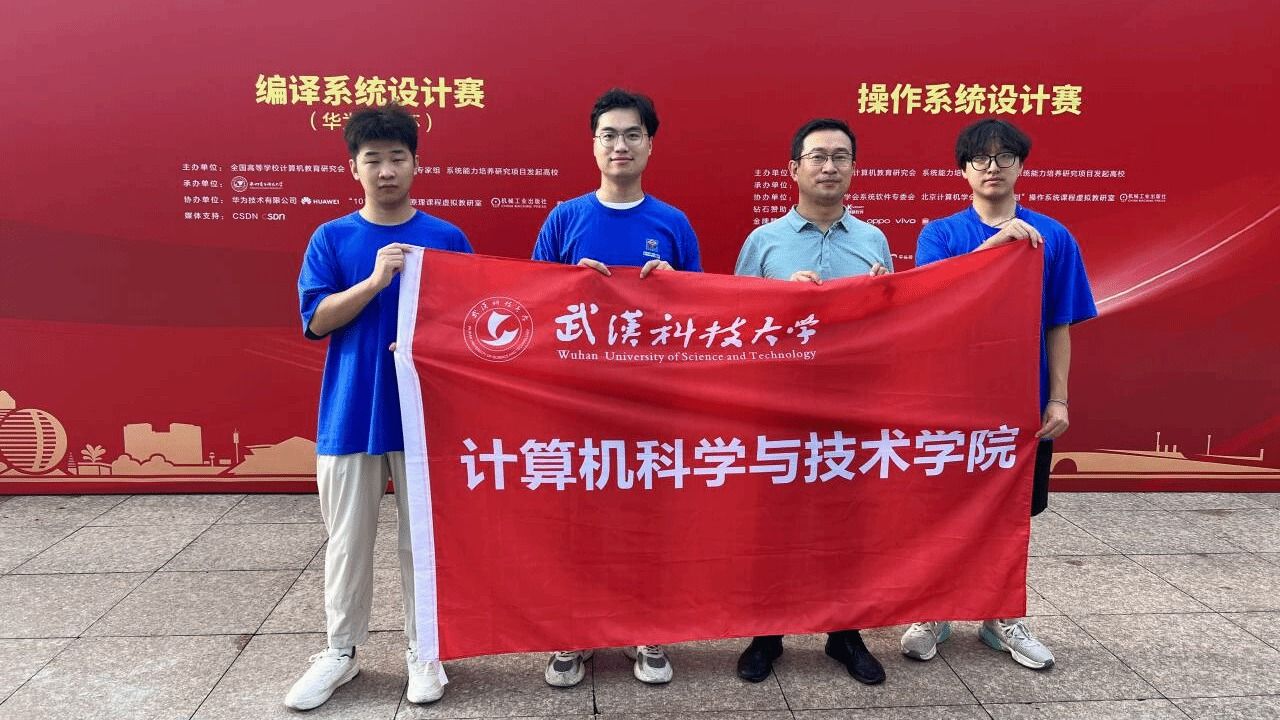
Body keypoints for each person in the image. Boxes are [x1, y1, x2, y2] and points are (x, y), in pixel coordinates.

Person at [287, 104, 473, 710]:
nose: (386, 170)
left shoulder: (446, 239)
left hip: (425, 418)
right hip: (349, 414)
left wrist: (430, 345)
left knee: (423, 543)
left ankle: (426, 651)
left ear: (416, 163)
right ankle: (340, 652)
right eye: (374, 160)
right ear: (354, 168)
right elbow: (316, 319)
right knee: (347, 541)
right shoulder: (332, 238)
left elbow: (471, 325)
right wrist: (372, 283)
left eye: (397, 157)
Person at [900, 118, 1096, 670]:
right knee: (942, 510)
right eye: (980, 158)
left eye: (1004, 156)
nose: (992, 167)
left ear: (1021, 165)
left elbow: (1059, 323)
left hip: (1021, 407)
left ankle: (1001, 616)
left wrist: (1058, 397)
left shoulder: (1053, 236)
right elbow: (934, 304)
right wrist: (995, 246)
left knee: (1011, 515)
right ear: (963, 170)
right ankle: (934, 610)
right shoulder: (941, 235)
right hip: (951, 404)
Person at [532, 87, 702, 688]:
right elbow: (532, 309)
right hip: (577, 400)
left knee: (645, 519)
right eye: (609, 135)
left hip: (651, 400)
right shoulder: (565, 218)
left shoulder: (672, 223)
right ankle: (572, 633)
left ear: (649, 144)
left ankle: (646, 629)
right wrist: (568, 286)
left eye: (632, 134)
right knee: (577, 520)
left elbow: (703, 316)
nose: (620, 145)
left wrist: (675, 285)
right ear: (594, 145)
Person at [733, 118, 891, 686]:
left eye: (840, 157)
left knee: (845, 523)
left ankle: (844, 633)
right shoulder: (764, 241)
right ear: (794, 169)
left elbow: (894, 326)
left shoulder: (873, 241)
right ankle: (767, 632)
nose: (829, 167)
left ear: (854, 169)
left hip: (851, 408)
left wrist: (881, 297)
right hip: (780, 409)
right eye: (818, 156)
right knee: (774, 523)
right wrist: (780, 301)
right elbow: (735, 323)